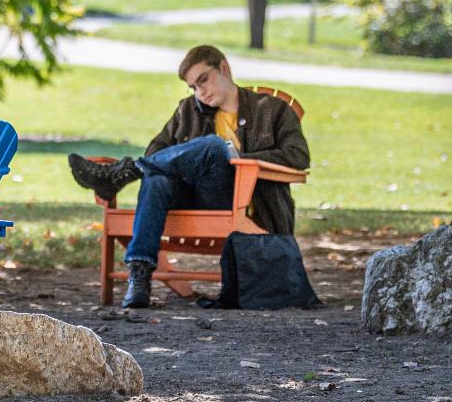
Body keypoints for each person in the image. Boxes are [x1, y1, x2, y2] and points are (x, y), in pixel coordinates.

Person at [68, 44, 311, 309]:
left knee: (214, 146)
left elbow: (297, 157)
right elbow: (156, 152)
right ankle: (140, 275)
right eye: (193, 87)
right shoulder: (189, 111)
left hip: (242, 203)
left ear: (224, 68)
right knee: (157, 179)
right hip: (189, 199)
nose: (200, 92)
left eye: (203, 80)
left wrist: (239, 158)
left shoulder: (271, 109)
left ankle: (125, 173)